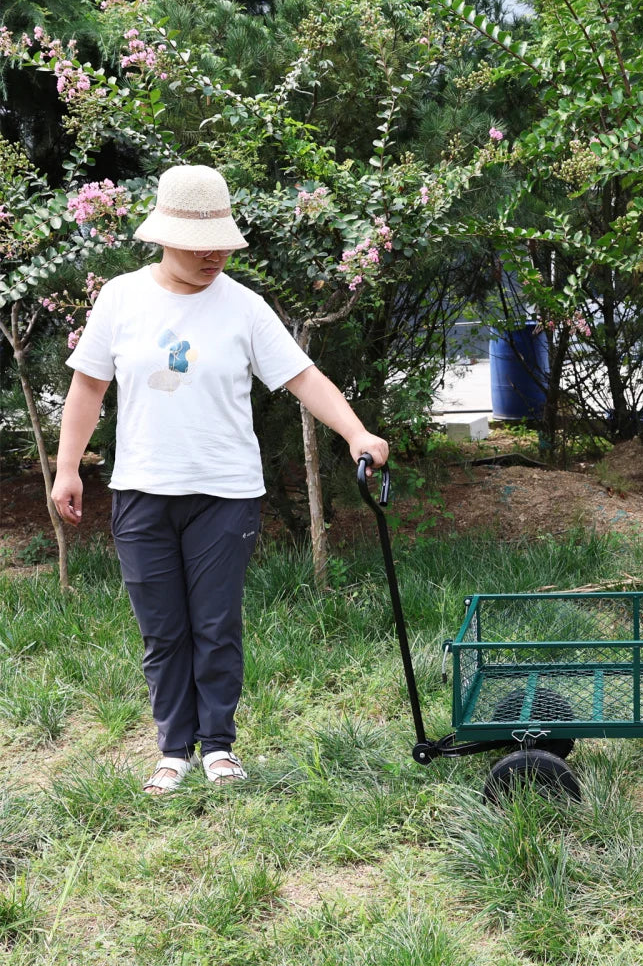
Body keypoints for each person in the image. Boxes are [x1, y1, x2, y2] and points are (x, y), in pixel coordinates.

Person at [50, 164, 389, 795]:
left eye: (221, 243)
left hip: (225, 495)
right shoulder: (121, 297)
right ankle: (173, 749)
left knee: (214, 625)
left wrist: (356, 433)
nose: (213, 255)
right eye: (197, 243)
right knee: (162, 630)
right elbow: (88, 385)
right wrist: (68, 467)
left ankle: (219, 747)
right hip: (142, 491)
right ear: (162, 236)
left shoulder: (244, 306)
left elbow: (302, 377)